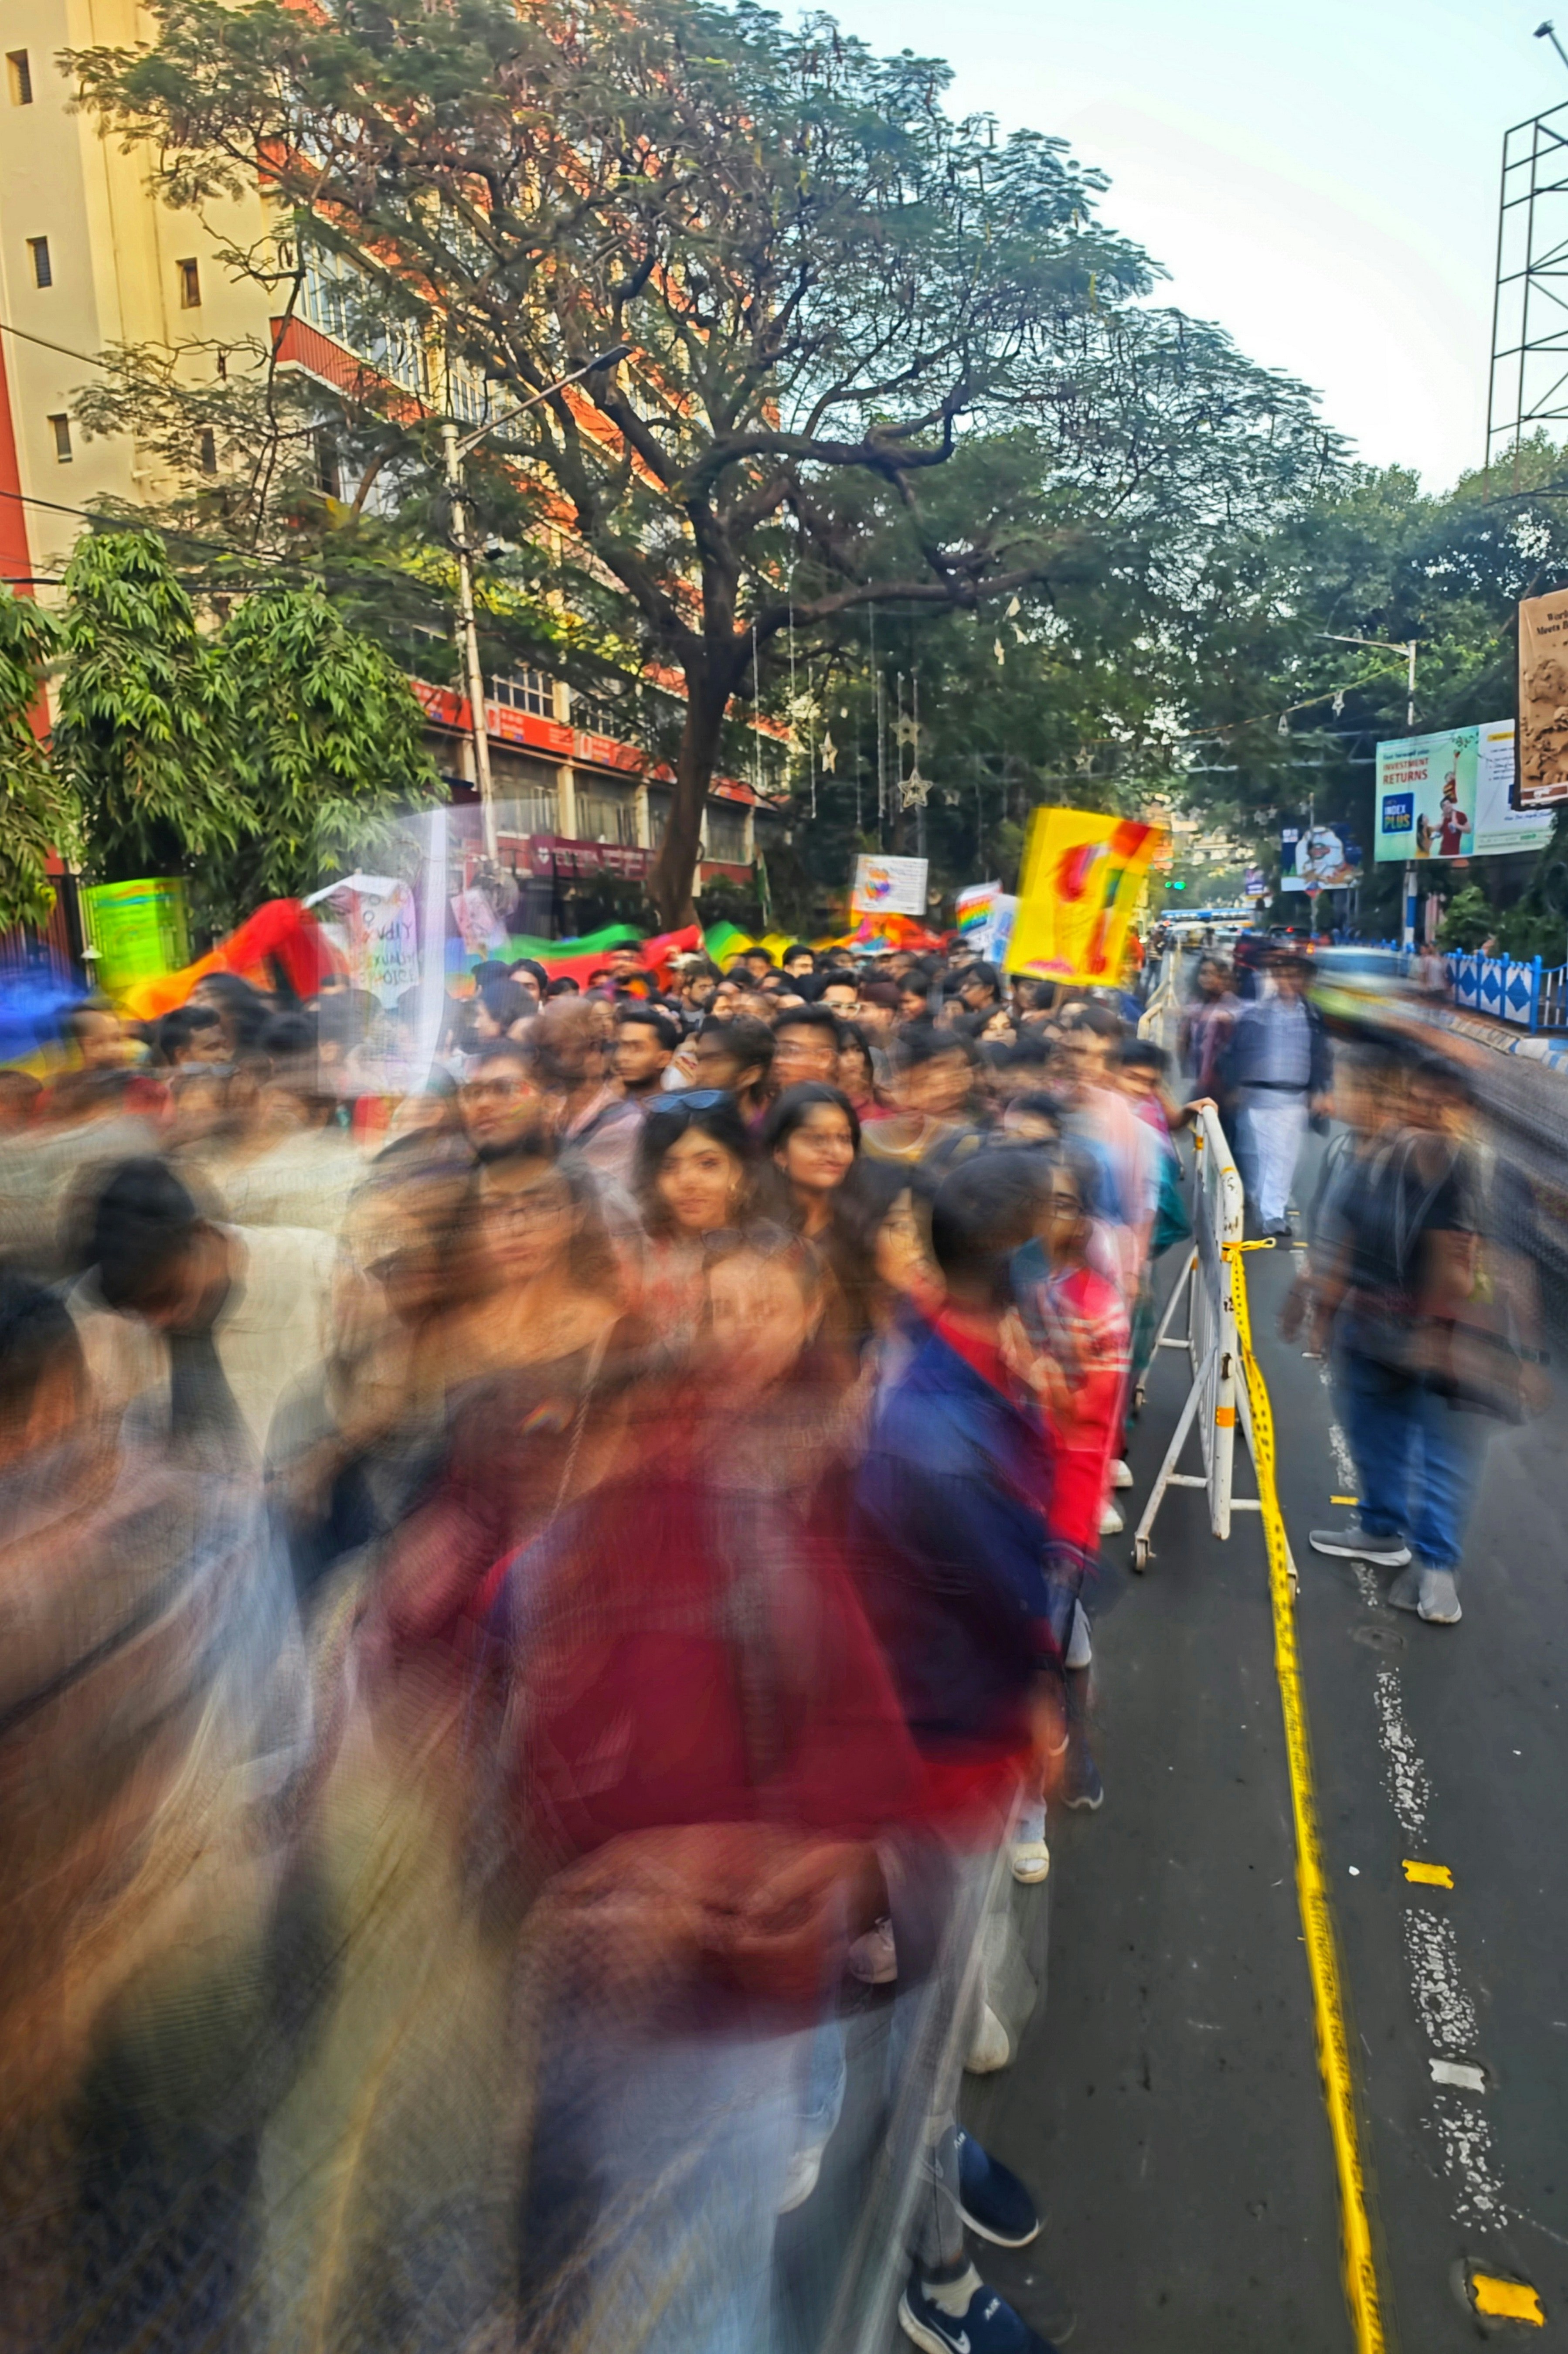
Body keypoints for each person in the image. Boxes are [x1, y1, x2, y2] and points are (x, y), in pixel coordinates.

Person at [1304, 1057, 1494, 1625]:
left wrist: (1440, 1330)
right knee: (1368, 1426)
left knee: (1443, 1453)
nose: (1425, 1113)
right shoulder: (1379, 1158)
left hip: (1448, 1341)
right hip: (1371, 1328)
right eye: (1417, 1100)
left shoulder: (1479, 1174)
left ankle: (1437, 1569)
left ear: (1467, 1115)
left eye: (1442, 1104)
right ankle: (1380, 1528)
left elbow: (1483, 1267)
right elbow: (1347, 1235)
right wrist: (1322, 1308)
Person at [1218, 953, 1331, 1238]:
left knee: (1284, 1158)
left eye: (1294, 976)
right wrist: (1234, 1086)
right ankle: (1261, 1202)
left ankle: (1273, 1213)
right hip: (1256, 1096)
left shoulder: (1313, 1015)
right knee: (1255, 1155)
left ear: (1305, 981)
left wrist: (1323, 1091)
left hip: (1293, 1099)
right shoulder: (1255, 1014)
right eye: (1281, 975)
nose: (1287, 982)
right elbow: (1235, 1052)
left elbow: (1321, 1057)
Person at [612, 1003, 678, 1103]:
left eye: (638, 1048)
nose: (622, 1057)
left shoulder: (678, 1115)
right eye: (621, 1046)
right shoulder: (608, 1108)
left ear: (664, 1059)